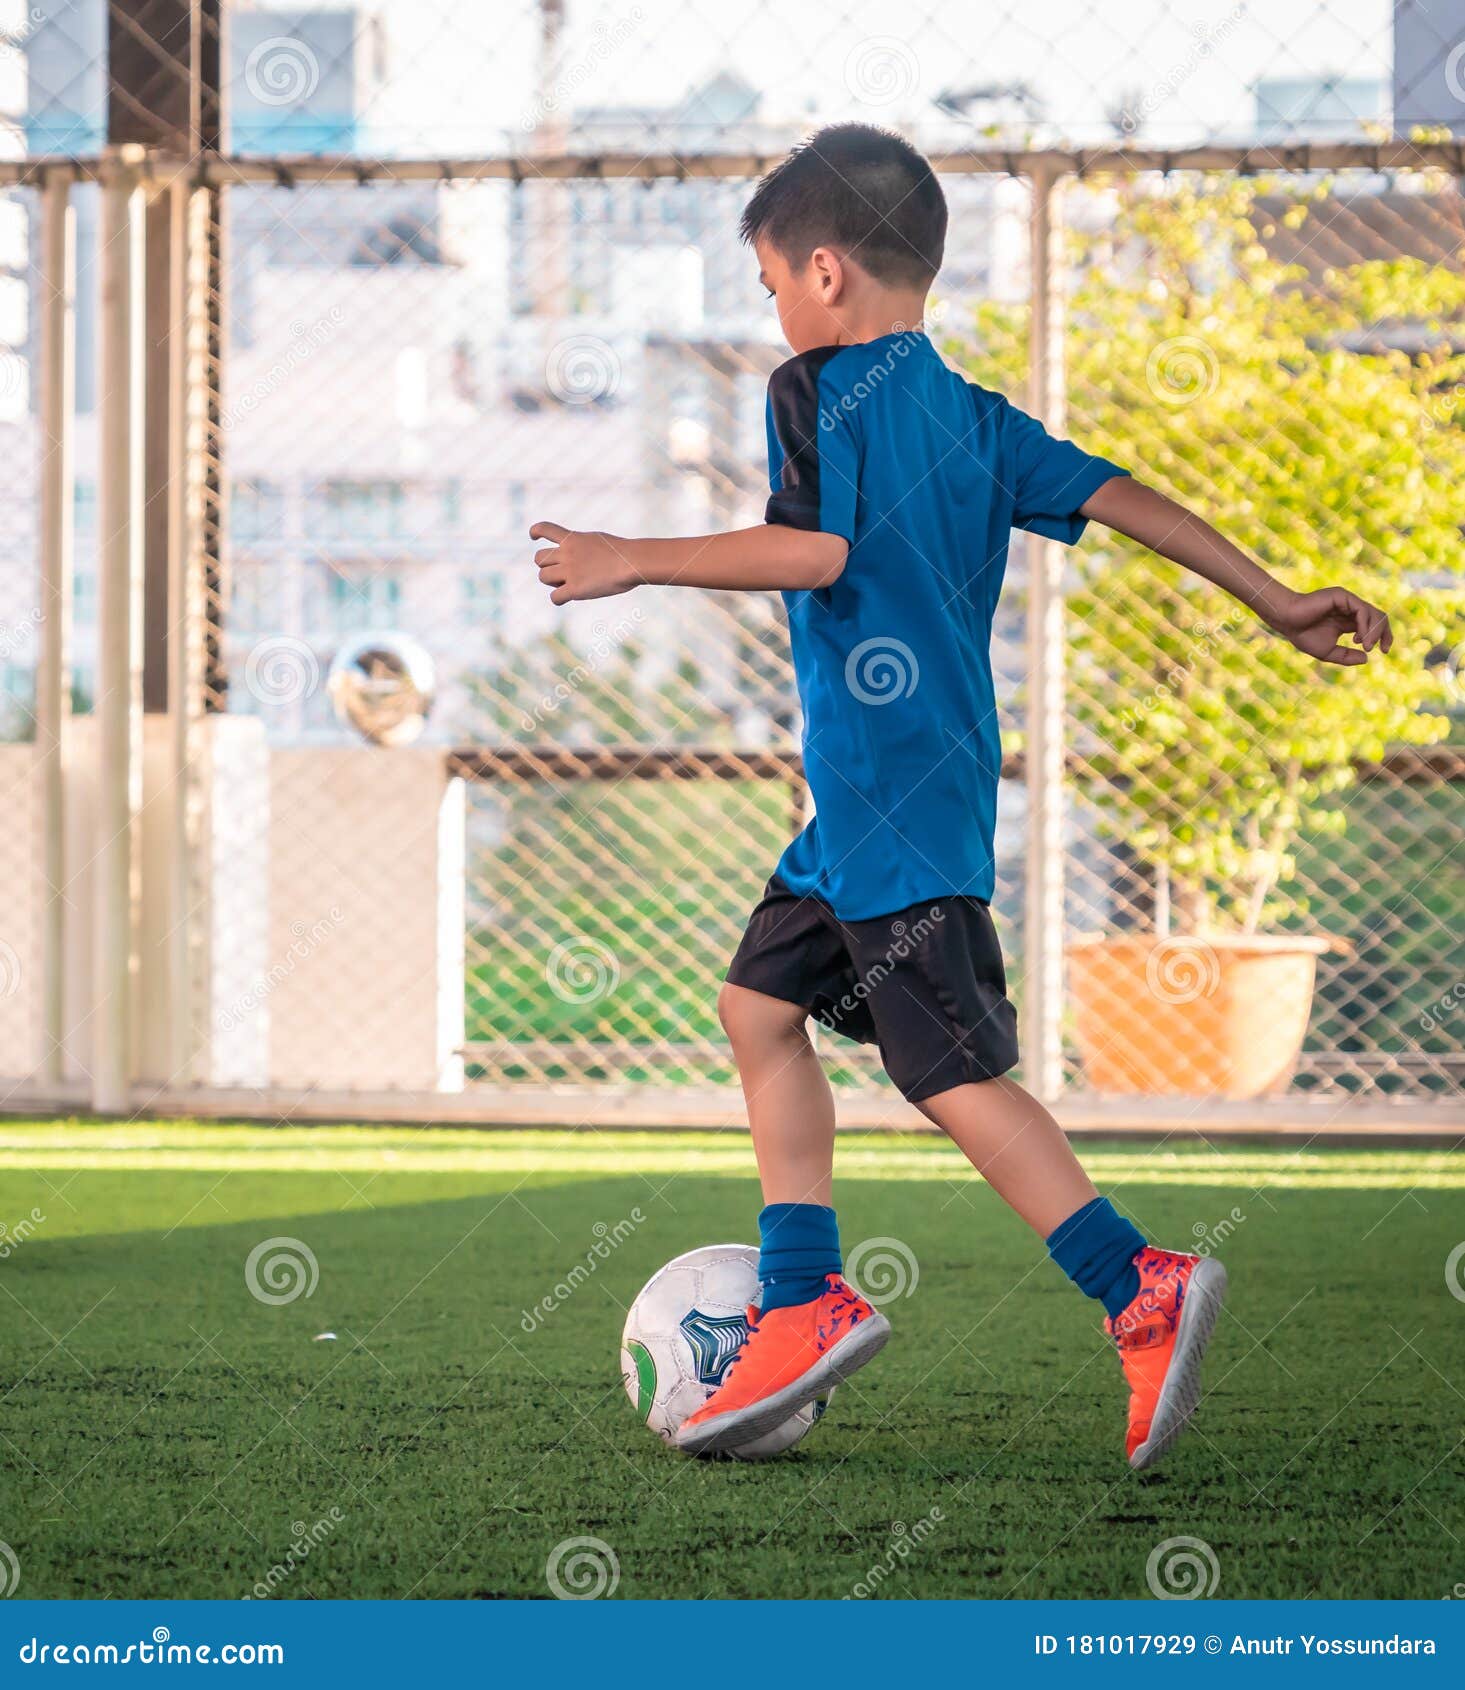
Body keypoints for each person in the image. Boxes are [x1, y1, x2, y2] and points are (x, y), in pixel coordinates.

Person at [529, 124, 1392, 1467]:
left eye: (766, 284)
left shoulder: (815, 388)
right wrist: (1273, 598)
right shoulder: (972, 415)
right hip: (884, 804)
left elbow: (814, 549)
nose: (771, 310)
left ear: (821, 272)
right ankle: (804, 1292)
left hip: (887, 808)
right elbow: (1121, 496)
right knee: (757, 1007)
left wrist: (630, 556)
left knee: (954, 1077)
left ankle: (1135, 1285)